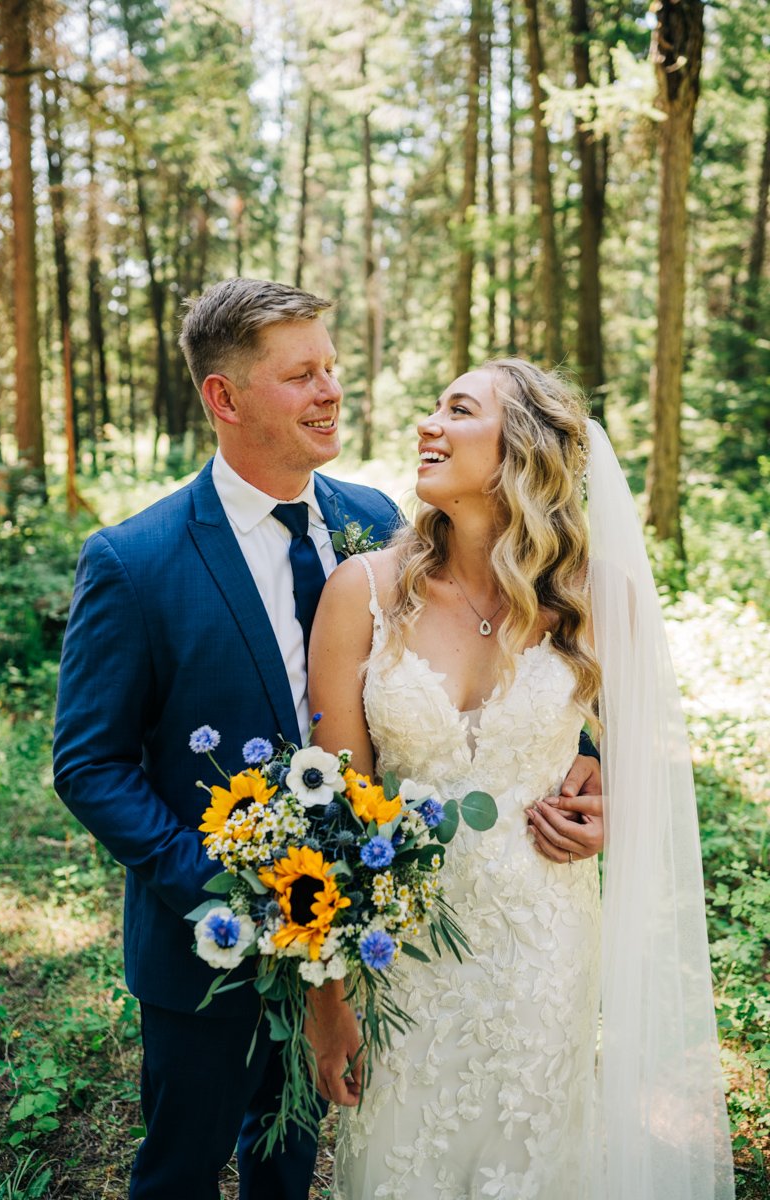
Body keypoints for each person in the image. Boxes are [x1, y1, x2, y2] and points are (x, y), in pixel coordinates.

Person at [53, 278, 602, 1200]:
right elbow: (88, 764)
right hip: (209, 943)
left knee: (295, 1171)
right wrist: (240, 890)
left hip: (393, 945)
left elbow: (518, 662)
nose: (332, 391)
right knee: (180, 1169)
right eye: (303, 375)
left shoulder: (381, 527)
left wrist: (590, 768)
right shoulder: (134, 562)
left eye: (333, 368)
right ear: (225, 398)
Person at [306, 359, 734, 1200]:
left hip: (542, 947)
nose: (428, 424)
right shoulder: (362, 593)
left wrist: (608, 804)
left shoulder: (597, 597)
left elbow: (644, 760)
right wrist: (330, 1002)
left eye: (458, 410)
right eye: (432, 408)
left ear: (520, 453)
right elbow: (334, 820)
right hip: (406, 955)